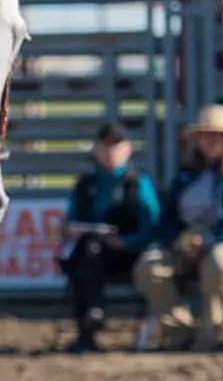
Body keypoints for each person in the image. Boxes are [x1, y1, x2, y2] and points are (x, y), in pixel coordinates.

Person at [133, 105, 223, 352]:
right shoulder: (186, 175)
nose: (211, 141)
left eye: (217, 135)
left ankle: (209, 333)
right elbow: (167, 218)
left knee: (217, 262)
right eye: (205, 135)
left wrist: (209, 242)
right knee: (149, 267)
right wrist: (175, 240)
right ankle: (179, 330)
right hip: (187, 245)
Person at [56, 122, 159, 353]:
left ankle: (92, 318)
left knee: (87, 254)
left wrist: (126, 242)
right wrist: (71, 229)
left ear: (128, 149)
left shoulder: (138, 184)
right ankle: (90, 319)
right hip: (89, 254)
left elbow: (151, 227)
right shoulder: (85, 185)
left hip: (126, 255)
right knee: (86, 250)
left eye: (116, 145)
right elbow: (69, 220)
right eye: (105, 146)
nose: (110, 151)